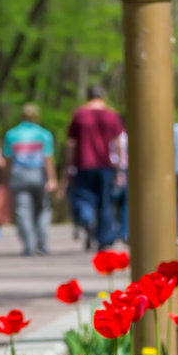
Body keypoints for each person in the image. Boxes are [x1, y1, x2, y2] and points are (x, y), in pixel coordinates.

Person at [66, 86, 124, 251]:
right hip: (106, 164)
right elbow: (118, 142)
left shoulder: (80, 114)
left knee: (84, 197)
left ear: (88, 96)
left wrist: (68, 167)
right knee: (105, 202)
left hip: (84, 163)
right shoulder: (112, 115)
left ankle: (87, 217)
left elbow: (71, 143)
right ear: (103, 96)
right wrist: (119, 166)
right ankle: (105, 240)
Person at [0, 103, 56, 256]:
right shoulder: (44, 134)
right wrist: (52, 179)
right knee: (43, 209)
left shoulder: (12, 134)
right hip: (39, 174)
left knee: (22, 211)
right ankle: (41, 244)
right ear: (37, 117)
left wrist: (3, 180)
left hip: (18, 175)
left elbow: (8, 160)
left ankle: (28, 245)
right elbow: (48, 159)